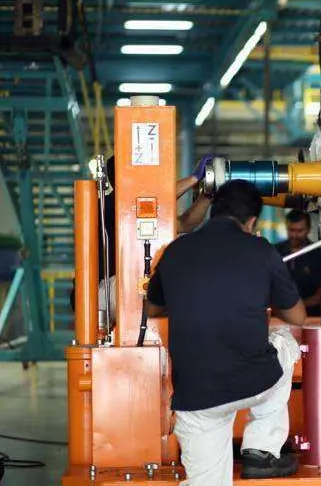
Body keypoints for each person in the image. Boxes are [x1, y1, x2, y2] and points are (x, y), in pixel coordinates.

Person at [144, 180, 307, 484]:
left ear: (213, 212)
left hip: (196, 396)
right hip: (252, 381)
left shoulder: (176, 250)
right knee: (285, 341)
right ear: (252, 221)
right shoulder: (261, 249)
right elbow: (297, 315)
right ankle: (261, 451)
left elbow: (152, 310)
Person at [69, 154, 217, 314]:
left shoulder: (144, 211)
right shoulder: (107, 206)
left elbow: (184, 223)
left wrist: (208, 194)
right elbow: (145, 199)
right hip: (101, 292)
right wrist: (194, 178)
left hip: (131, 283)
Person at [276, 210, 321, 317]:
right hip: (279, 316)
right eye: (291, 230)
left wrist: (295, 306)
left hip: (310, 317)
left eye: (299, 231)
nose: (294, 235)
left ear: (308, 229)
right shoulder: (275, 252)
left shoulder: (320, 256)